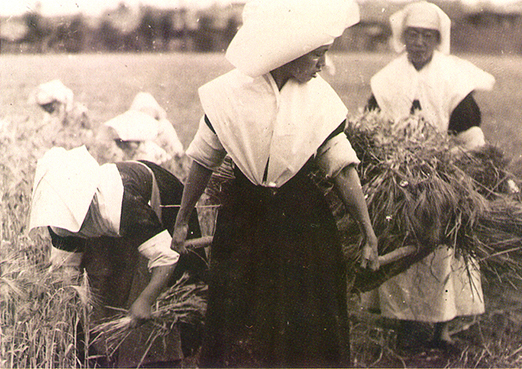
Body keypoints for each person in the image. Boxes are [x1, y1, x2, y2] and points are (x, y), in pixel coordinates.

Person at [170, 0, 379, 367]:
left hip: (302, 224)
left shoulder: (320, 99)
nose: (322, 65)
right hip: (244, 222)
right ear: (290, 52)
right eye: (317, 55)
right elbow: (202, 160)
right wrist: (183, 219)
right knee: (241, 320)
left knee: (307, 322)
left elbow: (343, 168)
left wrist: (368, 232)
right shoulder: (228, 95)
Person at [363, 1, 495, 348]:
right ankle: (403, 326)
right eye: (413, 35)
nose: (419, 42)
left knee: (442, 251)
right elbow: (372, 124)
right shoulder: (386, 79)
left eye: (426, 36)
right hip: (399, 178)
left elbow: (469, 130)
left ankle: (442, 329)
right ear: (402, 37)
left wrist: (466, 168)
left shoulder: (452, 77)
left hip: (443, 177)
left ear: (438, 39)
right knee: (401, 247)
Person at [28, 145, 206, 367]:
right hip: (114, 220)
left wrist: (145, 300)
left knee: (146, 287)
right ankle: (107, 355)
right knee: (103, 280)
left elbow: (166, 257)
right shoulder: (58, 218)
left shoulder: (120, 203)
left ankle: (152, 360)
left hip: (160, 196)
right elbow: (67, 272)